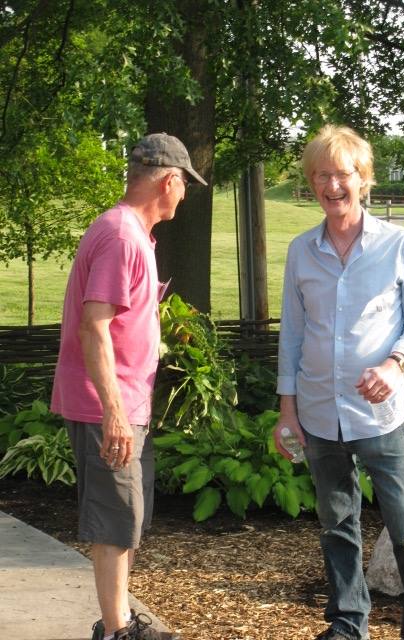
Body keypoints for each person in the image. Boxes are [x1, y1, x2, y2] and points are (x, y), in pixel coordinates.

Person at [274, 125, 404, 640]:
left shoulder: (398, 244)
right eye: (321, 176)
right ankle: (348, 624)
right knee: (336, 526)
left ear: (363, 179)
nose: (332, 186)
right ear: (311, 183)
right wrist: (288, 412)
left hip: (380, 417)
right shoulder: (301, 251)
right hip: (318, 415)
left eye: (342, 174)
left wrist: (395, 364)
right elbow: (293, 334)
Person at [51, 133, 207, 640]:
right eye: (184, 183)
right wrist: (114, 413)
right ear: (168, 181)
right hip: (107, 407)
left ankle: (117, 622)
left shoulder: (132, 234)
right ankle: (117, 631)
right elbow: (93, 327)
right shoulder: (121, 236)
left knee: (129, 515)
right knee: (116, 519)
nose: (184, 193)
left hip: (125, 404)